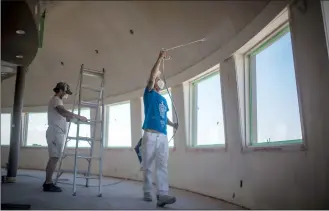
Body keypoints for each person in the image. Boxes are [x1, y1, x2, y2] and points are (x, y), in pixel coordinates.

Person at [142, 50, 178, 207]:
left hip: (163, 135)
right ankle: (148, 191)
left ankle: (162, 194)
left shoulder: (163, 99)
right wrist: (160, 57)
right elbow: (151, 75)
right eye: (158, 79)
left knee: (162, 165)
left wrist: (172, 125)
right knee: (148, 165)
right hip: (150, 135)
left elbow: (164, 117)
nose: (159, 80)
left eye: (159, 79)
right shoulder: (149, 93)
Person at [43, 82, 88, 192]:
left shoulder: (56, 101)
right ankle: (48, 184)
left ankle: (47, 182)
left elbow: (63, 117)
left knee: (53, 158)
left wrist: (74, 120)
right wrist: (78, 116)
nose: (66, 95)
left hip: (56, 132)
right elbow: (62, 112)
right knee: (54, 158)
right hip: (55, 132)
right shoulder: (57, 100)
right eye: (66, 92)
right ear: (61, 90)